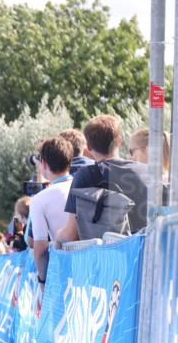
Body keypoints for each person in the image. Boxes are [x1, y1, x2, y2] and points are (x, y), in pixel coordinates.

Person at [57, 114, 149, 244]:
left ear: (88, 147)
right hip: (144, 251)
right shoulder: (145, 171)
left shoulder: (85, 176)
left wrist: (58, 237)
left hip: (107, 254)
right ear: (119, 141)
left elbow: (71, 234)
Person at [29, 136, 74, 290]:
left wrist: (42, 282)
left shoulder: (39, 200)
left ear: (43, 164)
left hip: (64, 274)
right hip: (92, 270)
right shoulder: (85, 186)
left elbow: (40, 249)